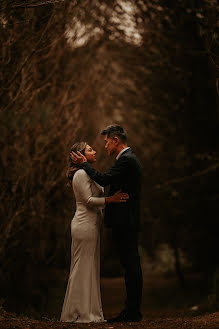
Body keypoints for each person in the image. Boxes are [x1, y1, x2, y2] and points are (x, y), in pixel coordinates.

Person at [70, 125, 143, 323]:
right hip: (120, 220)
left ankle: (132, 311)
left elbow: (104, 179)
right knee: (130, 264)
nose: (104, 146)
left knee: (131, 264)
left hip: (126, 220)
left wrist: (85, 164)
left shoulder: (126, 160)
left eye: (106, 141)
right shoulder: (126, 160)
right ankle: (131, 309)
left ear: (115, 140)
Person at [60, 141, 129, 323]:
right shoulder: (81, 174)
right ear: (81, 155)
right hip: (84, 225)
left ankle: (87, 312)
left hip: (92, 225)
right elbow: (89, 201)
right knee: (82, 268)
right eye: (90, 150)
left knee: (89, 268)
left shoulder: (87, 173)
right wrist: (111, 200)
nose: (95, 151)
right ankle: (78, 313)